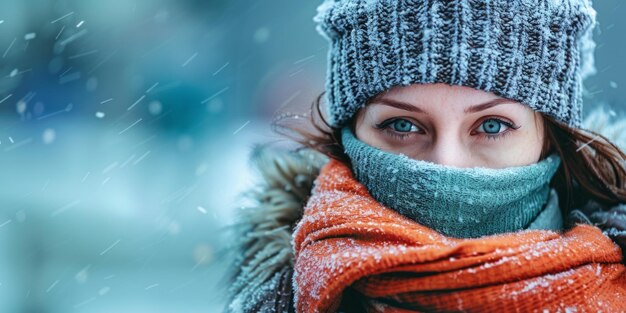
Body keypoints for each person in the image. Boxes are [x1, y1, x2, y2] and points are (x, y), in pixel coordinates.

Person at [222, 0, 626, 312]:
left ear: (550, 139)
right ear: (349, 134)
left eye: (491, 126)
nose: (444, 165)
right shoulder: (281, 296)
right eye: (402, 126)